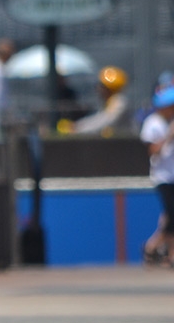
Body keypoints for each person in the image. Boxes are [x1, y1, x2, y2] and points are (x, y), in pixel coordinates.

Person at [140, 84, 174, 266]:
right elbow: (153, 151)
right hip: (163, 177)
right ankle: (153, 248)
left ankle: (160, 250)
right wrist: (169, 136)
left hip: (173, 175)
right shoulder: (153, 123)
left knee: (170, 217)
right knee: (171, 214)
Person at [61, 66, 132, 136]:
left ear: (108, 89)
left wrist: (78, 129)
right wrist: (77, 125)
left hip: (123, 144)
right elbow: (98, 118)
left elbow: (104, 122)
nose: (98, 88)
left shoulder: (119, 102)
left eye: (102, 86)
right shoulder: (110, 101)